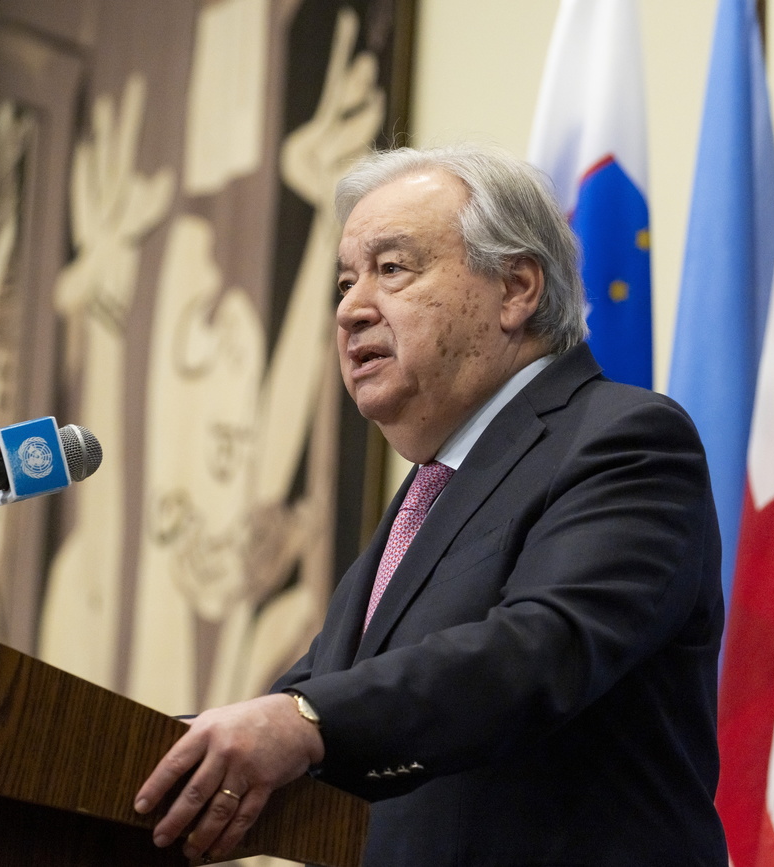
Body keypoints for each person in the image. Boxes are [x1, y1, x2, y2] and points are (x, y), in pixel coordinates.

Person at [133, 143, 728, 866]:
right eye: (345, 281)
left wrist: (305, 719)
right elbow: (316, 697)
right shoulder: (427, 495)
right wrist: (150, 758)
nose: (350, 310)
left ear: (516, 289)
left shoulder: (625, 439)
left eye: (391, 269)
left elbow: (539, 649)